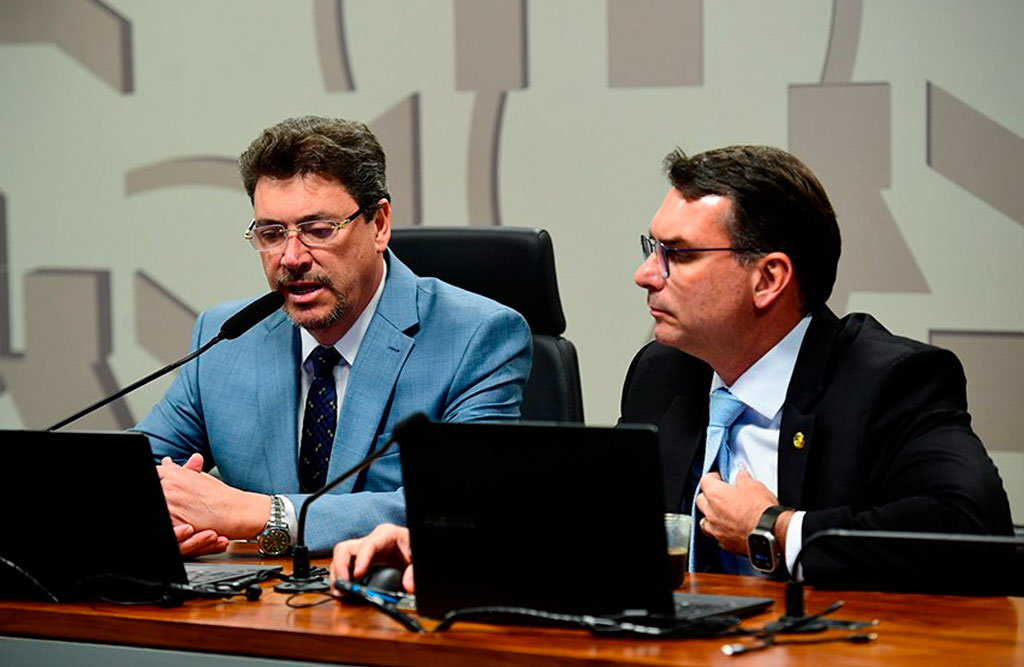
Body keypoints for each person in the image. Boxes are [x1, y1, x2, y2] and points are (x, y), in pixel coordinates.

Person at [332, 144, 1012, 593]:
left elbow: (971, 532)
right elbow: (592, 522)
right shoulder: (666, 373)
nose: (644, 274)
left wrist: (775, 528)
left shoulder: (889, 380)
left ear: (769, 277)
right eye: (650, 247)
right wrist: (445, 544)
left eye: (677, 255)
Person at [138, 116, 532, 558]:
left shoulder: (477, 337)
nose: (291, 257)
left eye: (318, 230)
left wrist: (265, 514)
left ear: (379, 224)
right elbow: (136, 474)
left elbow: (459, 503)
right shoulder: (226, 336)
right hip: (251, 596)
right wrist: (160, 522)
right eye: (272, 234)